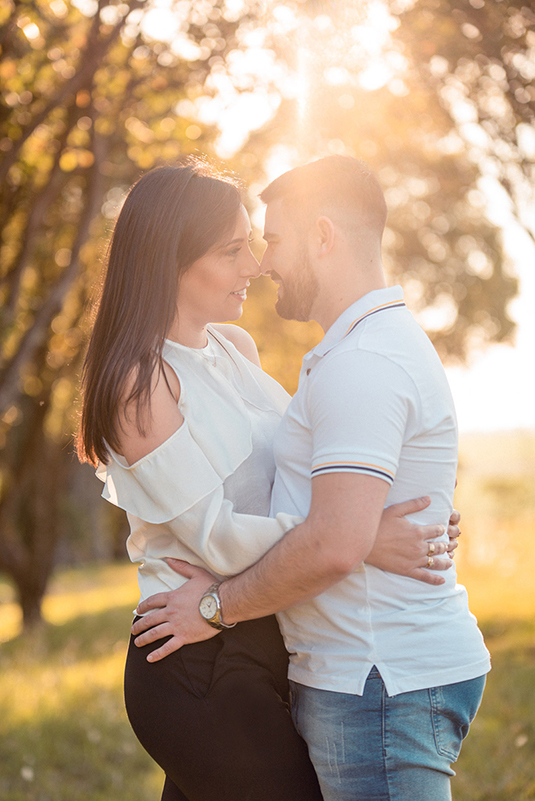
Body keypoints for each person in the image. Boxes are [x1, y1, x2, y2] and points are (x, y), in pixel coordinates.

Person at [77, 157, 459, 801]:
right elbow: (214, 539)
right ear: (172, 260)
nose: (254, 265)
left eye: (252, 245)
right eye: (232, 251)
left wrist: (383, 505)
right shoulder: (138, 384)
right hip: (192, 654)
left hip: (261, 632)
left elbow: (308, 473)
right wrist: (363, 538)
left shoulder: (235, 349)